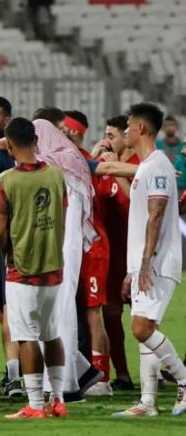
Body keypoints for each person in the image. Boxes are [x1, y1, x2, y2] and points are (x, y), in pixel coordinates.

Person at [0, 117, 68, 419]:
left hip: (21, 268)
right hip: (53, 266)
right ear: (35, 140)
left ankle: (36, 405)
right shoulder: (56, 175)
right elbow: (61, 214)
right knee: (51, 334)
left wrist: (6, 250)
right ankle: (58, 399)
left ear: (9, 144)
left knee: (25, 337)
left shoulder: (6, 180)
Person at [112, 103, 186, 418]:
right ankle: (147, 402)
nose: (126, 131)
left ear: (141, 128)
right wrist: (133, 268)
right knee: (146, 327)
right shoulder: (147, 166)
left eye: (128, 126)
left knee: (141, 328)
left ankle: (183, 381)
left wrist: (145, 263)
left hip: (156, 262)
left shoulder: (156, 165)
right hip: (146, 262)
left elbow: (155, 215)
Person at [61, 110, 114, 397]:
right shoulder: (69, 159)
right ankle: (82, 373)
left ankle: (102, 378)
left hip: (91, 246)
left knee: (94, 312)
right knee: (75, 312)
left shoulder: (82, 161)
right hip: (72, 246)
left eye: (64, 130)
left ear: (74, 133)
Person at [91, 115, 138, 390]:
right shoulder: (104, 169)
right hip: (112, 255)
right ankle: (122, 375)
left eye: (111, 135)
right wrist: (97, 162)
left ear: (125, 136)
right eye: (105, 134)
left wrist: (113, 169)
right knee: (111, 316)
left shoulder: (138, 166)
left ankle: (154, 373)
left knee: (144, 319)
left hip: (138, 254)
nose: (107, 140)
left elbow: (135, 200)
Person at [155, 115, 186, 191]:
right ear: (162, 128)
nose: (169, 128)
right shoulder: (157, 145)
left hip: (181, 187)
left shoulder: (183, 146)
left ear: (177, 127)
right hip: (163, 187)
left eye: (171, 125)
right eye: (166, 125)